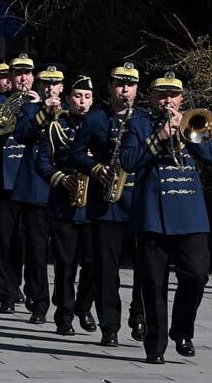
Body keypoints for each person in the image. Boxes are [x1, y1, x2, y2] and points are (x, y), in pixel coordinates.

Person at [120, 71, 212, 364]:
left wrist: (188, 134)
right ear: (151, 97)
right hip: (153, 215)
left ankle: (183, 330)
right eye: (162, 95)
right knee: (152, 283)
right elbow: (128, 162)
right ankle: (155, 344)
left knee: (196, 275)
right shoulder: (138, 124)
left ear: (181, 97)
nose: (168, 101)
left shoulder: (192, 121)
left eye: (173, 95)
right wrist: (160, 137)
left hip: (190, 214)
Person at [70, 61, 146, 346]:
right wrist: (95, 167)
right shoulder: (96, 119)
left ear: (137, 89)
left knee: (146, 268)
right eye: (118, 84)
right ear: (110, 87)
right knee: (105, 269)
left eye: (129, 85)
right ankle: (109, 326)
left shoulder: (144, 119)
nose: (123, 90)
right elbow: (75, 154)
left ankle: (139, 315)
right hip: (107, 204)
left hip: (139, 203)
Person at [37, 74, 97, 335]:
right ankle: (64, 315)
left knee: (94, 263)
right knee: (65, 264)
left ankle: (83, 306)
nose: (82, 102)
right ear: (68, 98)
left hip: (93, 204)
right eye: (77, 96)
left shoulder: (101, 126)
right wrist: (62, 180)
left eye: (87, 97)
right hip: (63, 202)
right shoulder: (55, 126)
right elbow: (42, 163)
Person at [9, 63, 68, 324]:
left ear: (62, 87)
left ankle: (66, 305)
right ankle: (39, 303)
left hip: (63, 188)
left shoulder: (71, 110)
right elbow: (21, 134)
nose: (50, 88)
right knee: (35, 251)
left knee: (66, 254)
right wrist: (42, 112)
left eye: (55, 84)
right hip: (35, 188)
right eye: (45, 83)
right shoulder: (31, 109)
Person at [0, 52, 38, 313]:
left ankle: (25, 288)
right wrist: (26, 105)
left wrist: (37, 106)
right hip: (4, 179)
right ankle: (6, 292)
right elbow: (0, 117)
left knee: (25, 241)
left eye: (27, 73)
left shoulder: (39, 102)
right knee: (3, 239)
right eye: (18, 74)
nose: (23, 78)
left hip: (30, 178)